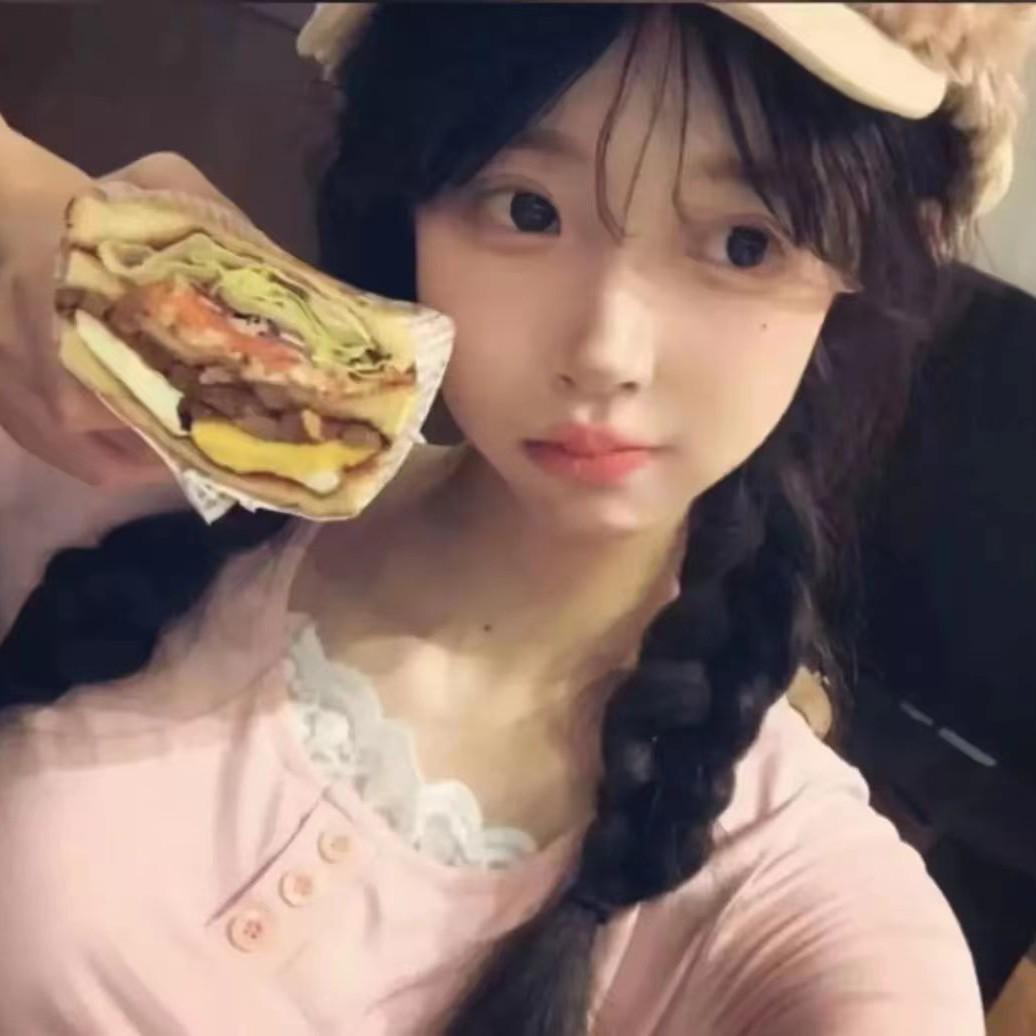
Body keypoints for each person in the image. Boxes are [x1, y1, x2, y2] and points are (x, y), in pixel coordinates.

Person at [0, 3, 1030, 1033]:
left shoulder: (788, 886)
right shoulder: (127, 447)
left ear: (860, 273)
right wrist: (17, 201)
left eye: (743, 242)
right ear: (412, 194)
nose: (607, 350)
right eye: (528, 210)